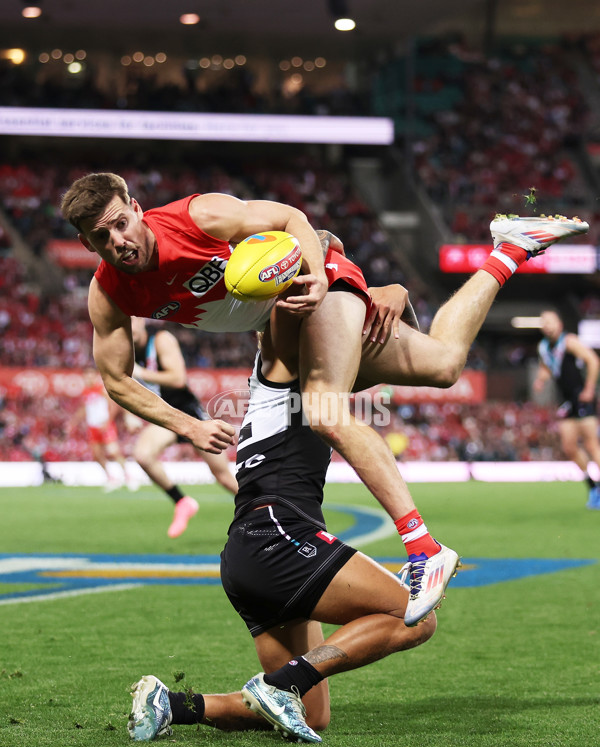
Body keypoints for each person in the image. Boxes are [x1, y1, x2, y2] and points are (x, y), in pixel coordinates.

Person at [60, 173, 588, 622]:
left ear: (135, 208)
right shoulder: (109, 293)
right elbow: (117, 380)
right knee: (445, 363)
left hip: (314, 288)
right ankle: (511, 248)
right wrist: (191, 428)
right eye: (99, 237)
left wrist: (317, 276)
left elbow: (293, 219)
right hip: (286, 319)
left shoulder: (200, 216)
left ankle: (424, 548)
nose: (116, 241)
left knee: (323, 408)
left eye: (120, 224)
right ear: (87, 245)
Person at [128, 347, 437, 744]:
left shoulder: (303, 381)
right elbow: (432, 362)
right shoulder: (287, 365)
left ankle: (170, 705)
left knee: (314, 714)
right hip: (280, 536)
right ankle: (283, 683)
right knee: (416, 617)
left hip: (247, 550)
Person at [130, 316, 237, 537]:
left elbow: (178, 378)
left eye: (131, 318)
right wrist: (126, 415)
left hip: (189, 414)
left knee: (223, 476)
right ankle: (182, 502)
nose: (127, 324)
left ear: (140, 320)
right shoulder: (123, 348)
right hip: (165, 417)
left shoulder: (160, 339)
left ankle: (265, 509)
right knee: (142, 455)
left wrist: (141, 373)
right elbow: (120, 384)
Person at [533, 309, 600, 510]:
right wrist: (541, 379)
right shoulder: (544, 347)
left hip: (581, 397)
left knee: (590, 444)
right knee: (569, 447)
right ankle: (593, 486)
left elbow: (593, 360)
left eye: (551, 321)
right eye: (544, 322)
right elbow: (547, 366)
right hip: (565, 401)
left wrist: (589, 388)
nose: (547, 325)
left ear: (559, 324)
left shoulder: (569, 341)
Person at [70, 367, 136, 491]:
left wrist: (107, 421)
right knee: (97, 455)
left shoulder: (101, 389)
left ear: (95, 376)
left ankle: (128, 476)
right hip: (92, 427)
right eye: (86, 376)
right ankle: (111, 478)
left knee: (113, 452)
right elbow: (85, 408)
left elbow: (113, 405)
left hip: (105, 425)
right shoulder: (86, 391)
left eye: (91, 375)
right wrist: (74, 421)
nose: (88, 378)